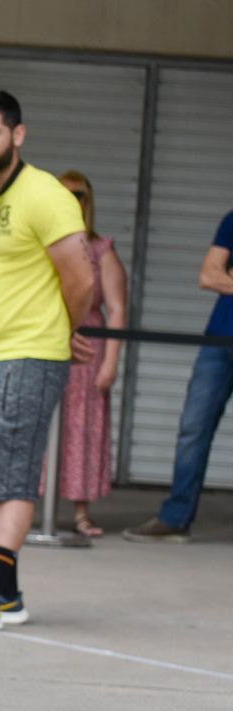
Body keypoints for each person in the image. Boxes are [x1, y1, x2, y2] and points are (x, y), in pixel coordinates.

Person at [0, 90, 95, 635]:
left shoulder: (46, 195)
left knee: (16, 477)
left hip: (29, 353)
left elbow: (82, 278)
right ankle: (6, 593)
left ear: (17, 136)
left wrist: (66, 330)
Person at [123, 208, 233, 543]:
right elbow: (208, 275)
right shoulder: (232, 220)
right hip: (219, 340)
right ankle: (176, 518)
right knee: (193, 428)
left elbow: (220, 276)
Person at [52, 171, 127, 537]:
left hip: (87, 350)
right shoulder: (45, 246)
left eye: (79, 195)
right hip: (47, 342)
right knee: (44, 423)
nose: (72, 201)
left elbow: (118, 308)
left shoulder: (102, 250)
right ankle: (34, 504)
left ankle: (82, 512)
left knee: (84, 429)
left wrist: (111, 361)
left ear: (89, 200)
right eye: (64, 194)